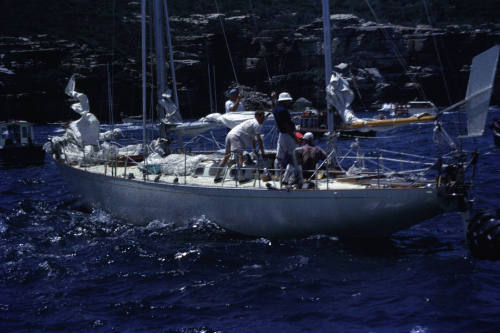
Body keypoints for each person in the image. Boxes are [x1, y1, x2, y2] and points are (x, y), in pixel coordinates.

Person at [214, 111, 266, 183]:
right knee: (239, 157)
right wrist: (262, 152)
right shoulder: (257, 124)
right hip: (236, 137)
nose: (264, 119)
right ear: (258, 117)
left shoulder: (251, 121)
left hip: (230, 135)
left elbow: (253, 139)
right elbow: (259, 139)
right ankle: (241, 179)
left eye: (264, 117)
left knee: (226, 157)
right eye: (262, 117)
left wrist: (254, 150)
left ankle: (217, 177)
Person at [272, 92, 300, 183]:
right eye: (288, 101)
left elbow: (282, 121)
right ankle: (290, 177)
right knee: (294, 156)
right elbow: (286, 125)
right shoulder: (283, 110)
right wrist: (295, 137)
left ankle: (277, 175)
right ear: (284, 101)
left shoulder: (276, 109)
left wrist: (273, 98)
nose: (290, 102)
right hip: (288, 135)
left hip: (281, 134)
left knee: (279, 156)